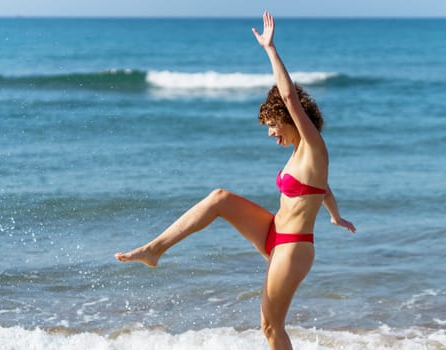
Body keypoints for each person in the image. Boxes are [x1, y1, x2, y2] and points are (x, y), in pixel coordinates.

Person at [115, 11, 356, 350]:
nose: (271, 133)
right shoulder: (302, 156)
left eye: (272, 125)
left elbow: (288, 95)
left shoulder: (314, 146)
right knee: (220, 198)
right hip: (274, 232)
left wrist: (270, 50)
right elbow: (324, 189)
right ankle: (155, 249)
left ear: (287, 118)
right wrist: (334, 214)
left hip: (293, 245)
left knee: (271, 327)